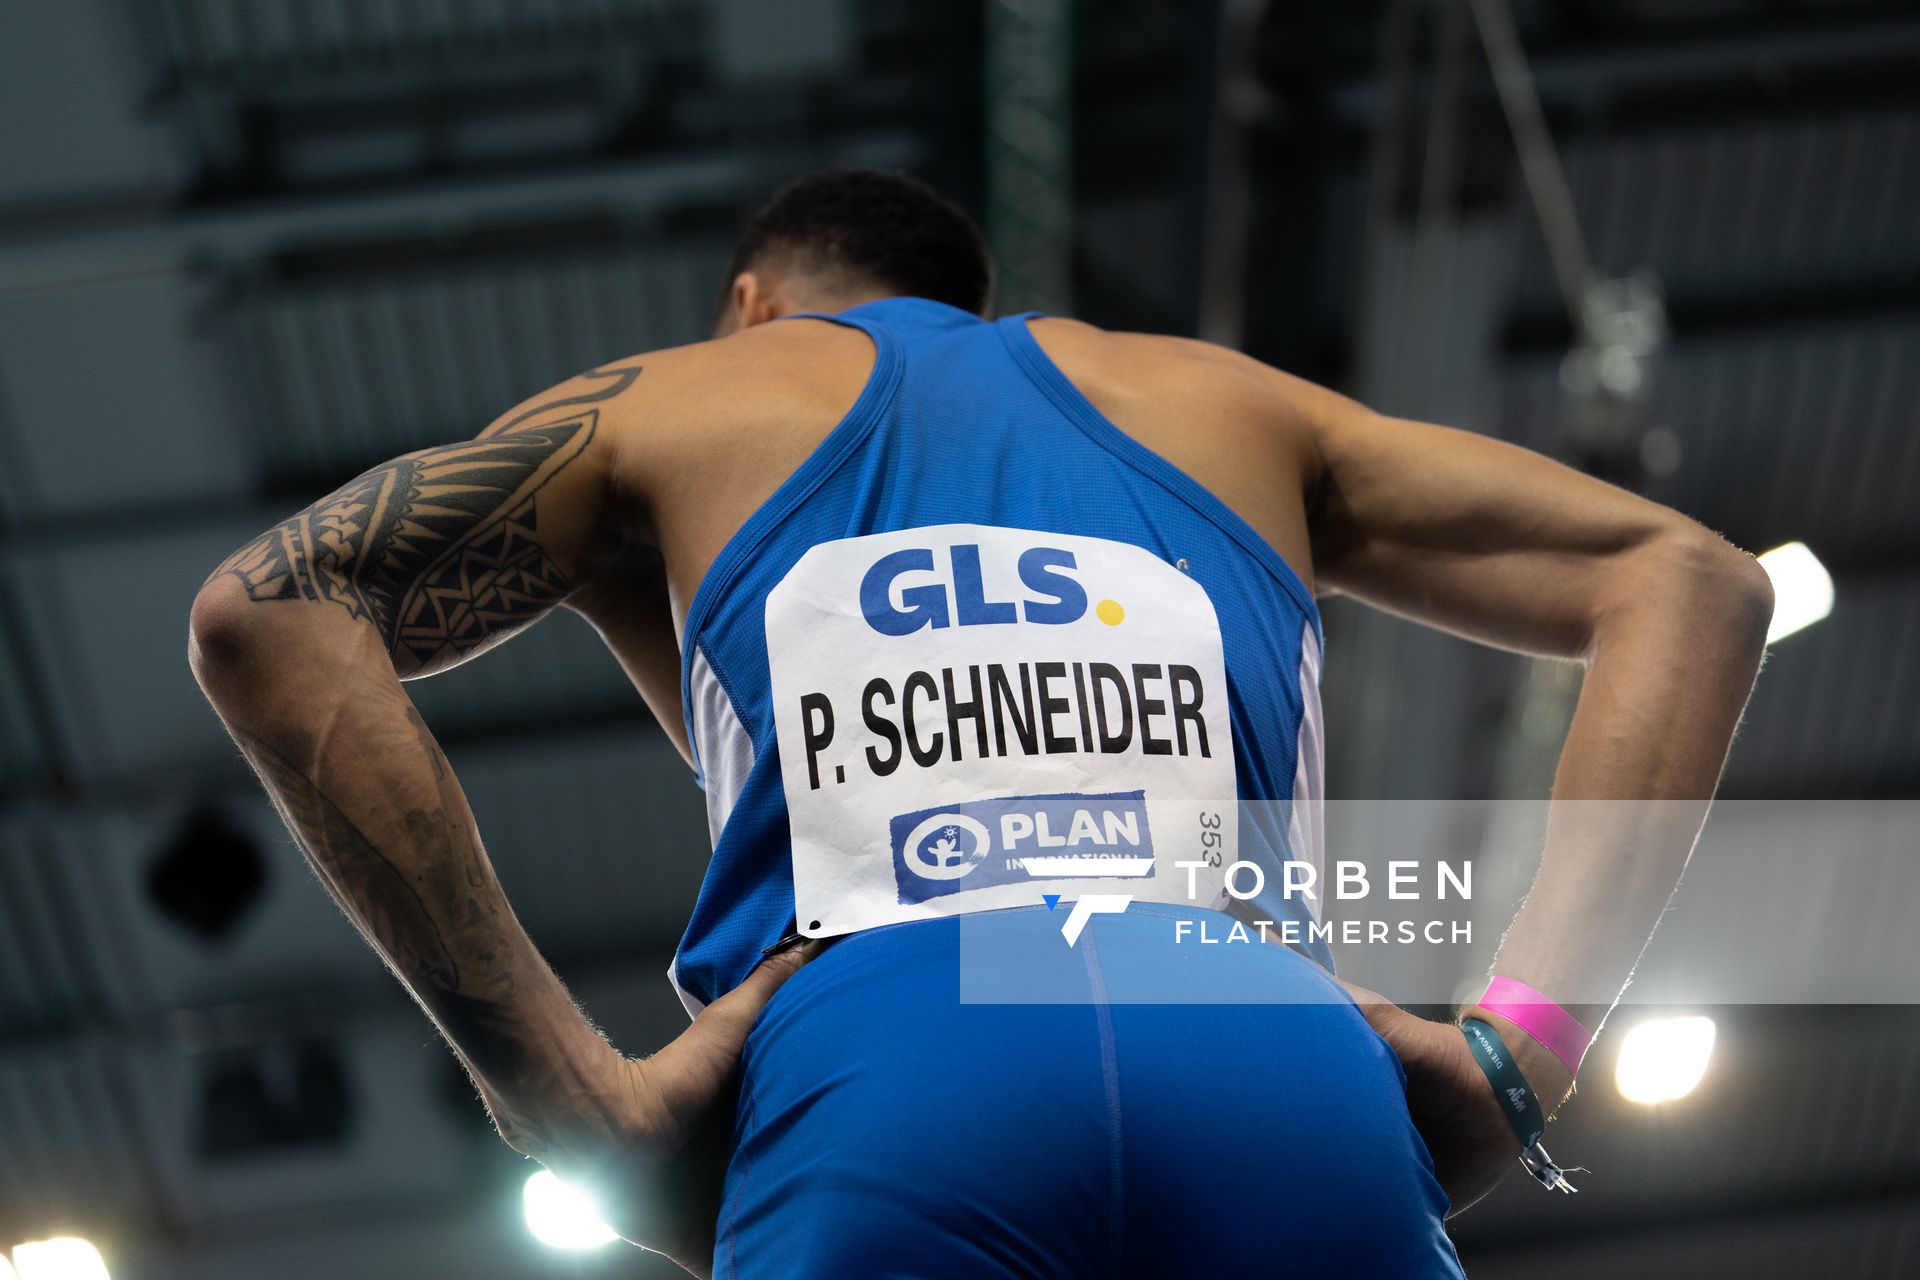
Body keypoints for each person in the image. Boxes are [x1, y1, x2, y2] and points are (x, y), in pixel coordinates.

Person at [187, 168, 1773, 1277]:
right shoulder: (1228, 400)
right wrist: (1523, 1055)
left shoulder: (683, 398)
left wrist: (568, 1102)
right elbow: (1691, 580)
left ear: (753, 304)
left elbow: (269, 614)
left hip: (892, 1056)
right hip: (1266, 1050)